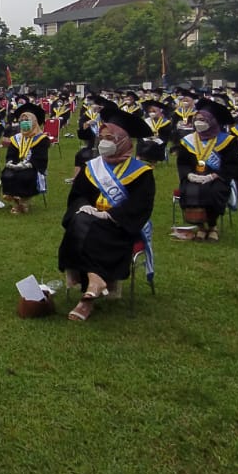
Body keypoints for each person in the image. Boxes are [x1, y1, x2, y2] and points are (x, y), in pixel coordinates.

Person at [58, 105, 155, 322]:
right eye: (101, 137)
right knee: (81, 219)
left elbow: (141, 206)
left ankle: (87, 297)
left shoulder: (141, 172)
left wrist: (111, 215)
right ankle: (94, 283)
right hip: (91, 219)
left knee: (82, 229)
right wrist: (85, 206)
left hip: (120, 226)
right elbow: (78, 196)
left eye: (110, 137)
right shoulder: (92, 167)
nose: (103, 142)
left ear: (123, 140)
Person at [176, 98, 238, 242]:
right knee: (190, 189)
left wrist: (213, 176)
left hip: (217, 177)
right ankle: (201, 227)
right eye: (197, 119)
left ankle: (212, 226)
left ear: (213, 122)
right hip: (194, 175)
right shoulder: (188, 140)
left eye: (203, 120)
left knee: (212, 191)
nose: (199, 122)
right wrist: (189, 175)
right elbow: (183, 162)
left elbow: (231, 165)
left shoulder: (227, 141)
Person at [0, 104, 50, 214]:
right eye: (22, 120)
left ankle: (23, 201)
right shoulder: (16, 138)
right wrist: (11, 163)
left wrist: (26, 164)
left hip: (33, 166)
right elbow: (11, 154)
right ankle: (15, 200)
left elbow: (41, 158)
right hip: (17, 164)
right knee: (7, 174)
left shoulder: (41, 139)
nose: (24, 122)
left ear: (34, 122)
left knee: (24, 176)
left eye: (27, 120)